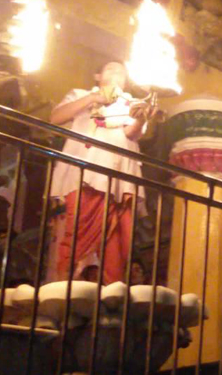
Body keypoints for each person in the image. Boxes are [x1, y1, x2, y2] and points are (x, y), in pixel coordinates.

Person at [49, 62, 152, 285]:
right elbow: (55, 118)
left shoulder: (131, 102)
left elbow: (132, 133)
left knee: (118, 241)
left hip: (120, 177)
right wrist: (93, 99)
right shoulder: (81, 95)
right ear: (97, 75)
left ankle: (110, 296)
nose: (117, 73)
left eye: (122, 72)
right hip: (85, 173)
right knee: (77, 229)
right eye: (110, 69)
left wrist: (142, 118)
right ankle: (64, 288)